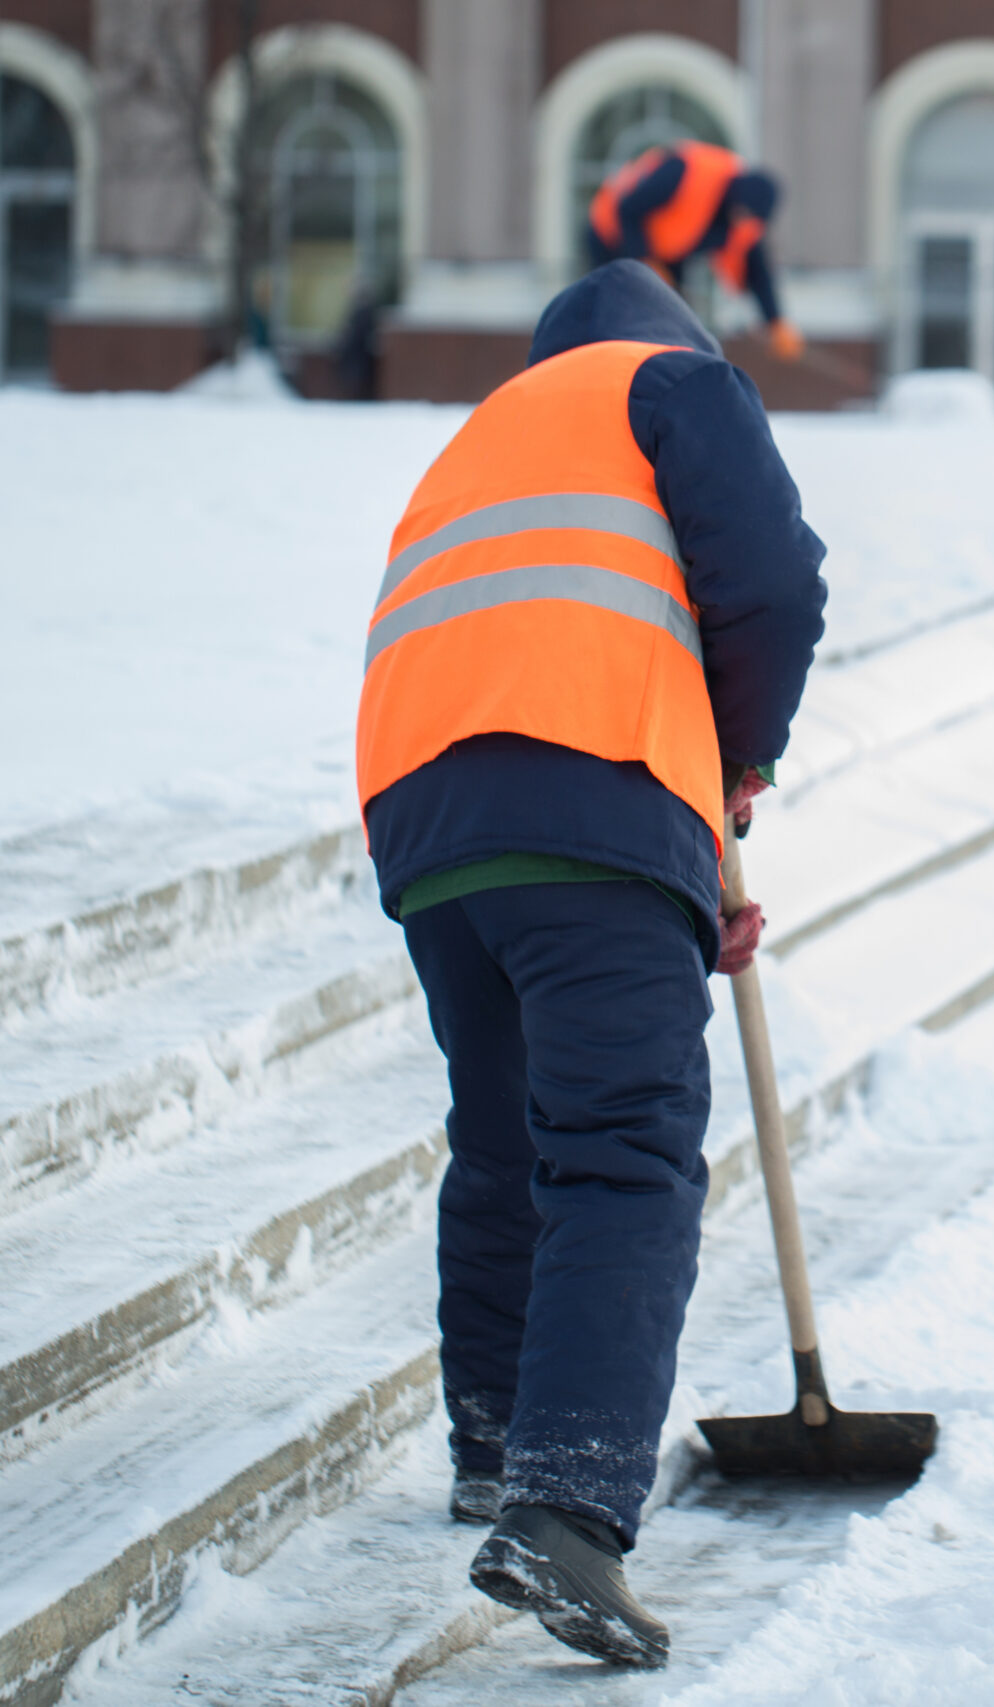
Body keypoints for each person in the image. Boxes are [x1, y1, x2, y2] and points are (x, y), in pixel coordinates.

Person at [354, 259, 826, 1667]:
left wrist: (685, 852)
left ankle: (495, 1442)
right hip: (597, 793)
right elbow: (773, 589)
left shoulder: (485, 432)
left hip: (431, 825)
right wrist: (732, 772)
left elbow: (539, 615)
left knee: (504, 1142)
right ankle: (567, 1508)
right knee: (621, 1150)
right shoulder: (677, 385)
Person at [586, 140, 807, 363]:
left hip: (668, 257)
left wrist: (776, 321)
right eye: (742, 214)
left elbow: (756, 269)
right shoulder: (686, 172)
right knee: (616, 315)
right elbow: (628, 209)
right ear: (736, 198)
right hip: (613, 238)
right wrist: (644, 259)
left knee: (670, 324)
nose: (742, 222)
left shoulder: (742, 220)